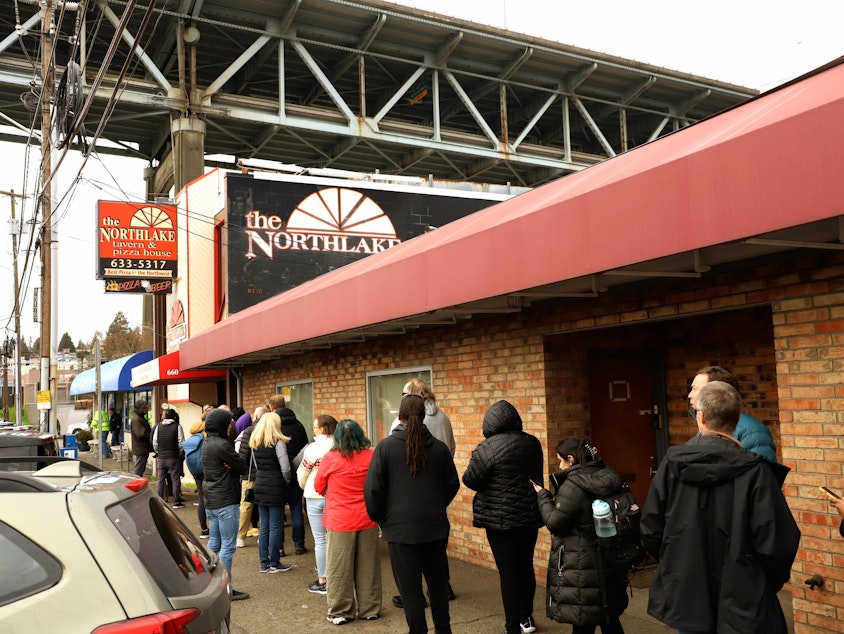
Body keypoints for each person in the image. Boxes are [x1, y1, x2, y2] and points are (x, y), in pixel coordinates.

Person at [641, 380, 800, 634]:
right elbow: (778, 541)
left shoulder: (671, 465)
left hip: (690, 592)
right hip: (744, 598)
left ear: (700, 417)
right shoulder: (757, 471)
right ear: (736, 419)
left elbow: (650, 529)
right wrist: (760, 581)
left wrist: (679, 564)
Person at [365, 394, 460, 634]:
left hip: (400, 530)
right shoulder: (438, 449)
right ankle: (443, 630)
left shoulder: (386, 447)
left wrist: (381, 518)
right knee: (438, 587)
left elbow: (373, 489)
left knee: (410, 591)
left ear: (399, 416)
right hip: (434, 527)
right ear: (423, 416)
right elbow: (452, 484)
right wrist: (437, 505)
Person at [462, 400, 544, 634]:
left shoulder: (487, 447)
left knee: (508, 573)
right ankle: (526, 618)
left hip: (499, 521)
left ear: (489, 423)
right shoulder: (532, 443)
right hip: (529, 515)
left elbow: (470, 480)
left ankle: (511, 627)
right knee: (526, 567)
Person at [532, 437, 628, 633]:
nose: (559, 465)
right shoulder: (608, 475)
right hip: (609, 559)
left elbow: (554, 523)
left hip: (581, 566)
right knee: (609, 619)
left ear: (571, 459)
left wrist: (543, 496)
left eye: (561, 460)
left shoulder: (573, 486)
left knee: (583, 622)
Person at [388, 378, 458, 607]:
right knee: (434, 544)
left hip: (408, 490)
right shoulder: (443, 417)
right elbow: (451, 448)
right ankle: (441, 586)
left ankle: (414, 593)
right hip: (436, 489)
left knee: (411, 548)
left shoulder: (404, 420)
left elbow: (392, 450)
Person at [313, 419, 382, 625]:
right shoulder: (371, 456)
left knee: (339, 568)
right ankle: (370, 608)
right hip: (367, 518)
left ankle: (340, 611)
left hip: (340, 520)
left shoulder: (331, 458)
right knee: (368, 566)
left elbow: (318, 486)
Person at [202, 407, 250, 601]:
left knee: (214, 542)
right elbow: (242, 466)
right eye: (229, 423)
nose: (231, 427)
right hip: (226, 501)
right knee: (228, 546)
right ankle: (226, 588)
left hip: (211, 501)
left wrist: (233, 463)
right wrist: (234, 463)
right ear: (222, 425)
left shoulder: (207, 443)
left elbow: (236, 465)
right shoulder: (222, 445)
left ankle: (210, 583)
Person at [688, 365, 777, 461]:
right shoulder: (706, 424)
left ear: (716, 391)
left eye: (695, 389)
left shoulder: (753, 432)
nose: (690, 395)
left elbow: (762, 473)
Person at [297, 413, 339, 594]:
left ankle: (323, 579)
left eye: (314, 427)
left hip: (314, 496)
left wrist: (305, 487)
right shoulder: (340, 446)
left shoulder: (313, 448)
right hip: (336, 497)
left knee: (320, 540)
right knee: (335, 539)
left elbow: (302, 473)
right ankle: (338, 577)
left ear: (322, 428)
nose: (313, 430)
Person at [249, 411, 293, 573]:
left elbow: (256, 465)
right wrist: (286, 480)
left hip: (260, 484)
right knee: (276, 526)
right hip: (276, 485)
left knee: (264, 526)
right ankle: (274, 562)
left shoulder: (255, 443)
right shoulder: (278, 442)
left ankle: (263, 563)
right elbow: (286, 468)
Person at [269, 394, 309, 555]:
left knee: (278, 512)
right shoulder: (299, 424)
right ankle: (299, 544)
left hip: (279, 474)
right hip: (297, 473)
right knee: (296, 508)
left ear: (272, 408)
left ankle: (280, 548)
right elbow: (306, 447)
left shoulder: (273, 426)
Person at [235, 404, 265, 546]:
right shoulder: (271, 430)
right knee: (265, 505)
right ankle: (263, 535)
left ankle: (241, 537)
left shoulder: (248, 431)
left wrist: (242, 472)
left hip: (249, 475)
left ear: (256, 416)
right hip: (266, 475)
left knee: (246, 504)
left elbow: (243, 455)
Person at [154, 408, 185, 508]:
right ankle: (176, 501)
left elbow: (155, 442)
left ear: (164, 417)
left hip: (162, 457)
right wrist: (179, 451)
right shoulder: (177, 426)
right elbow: (181, 442)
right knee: (175, 478)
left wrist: (158, 451)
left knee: (160, 479)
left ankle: (160, 500)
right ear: (174, 417)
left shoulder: (158, 427)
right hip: (173, 457)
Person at [183, 417, 209, 537]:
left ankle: (203, 529)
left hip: (194, 471)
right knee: (209, 497)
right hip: (205, 470)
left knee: (201, 497)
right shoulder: (203, 439)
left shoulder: (189, 441)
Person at [129, 400, 152, 476]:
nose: (147, 409)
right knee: (139, 470)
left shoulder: (139, 418)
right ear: (141, 409)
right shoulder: (137, 419)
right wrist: (152, 434)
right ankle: (136, 483)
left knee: (140, 468)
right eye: (145, 408)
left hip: (142, 448)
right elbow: (141, 434)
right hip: (141, 448)